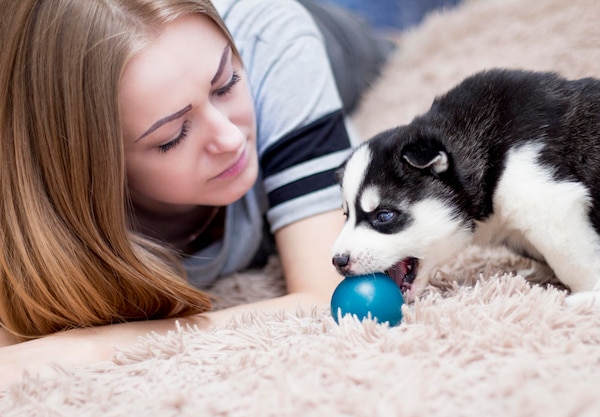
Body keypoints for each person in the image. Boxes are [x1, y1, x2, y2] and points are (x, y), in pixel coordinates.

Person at [0, 0, 390, 385]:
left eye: (227, 85)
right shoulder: (29, 184)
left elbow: (329, 294)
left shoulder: (268, 40)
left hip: (321, 37)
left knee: (381, 53)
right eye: (173, 136)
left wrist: (91, 347)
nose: (231, 137)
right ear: (88, 165)